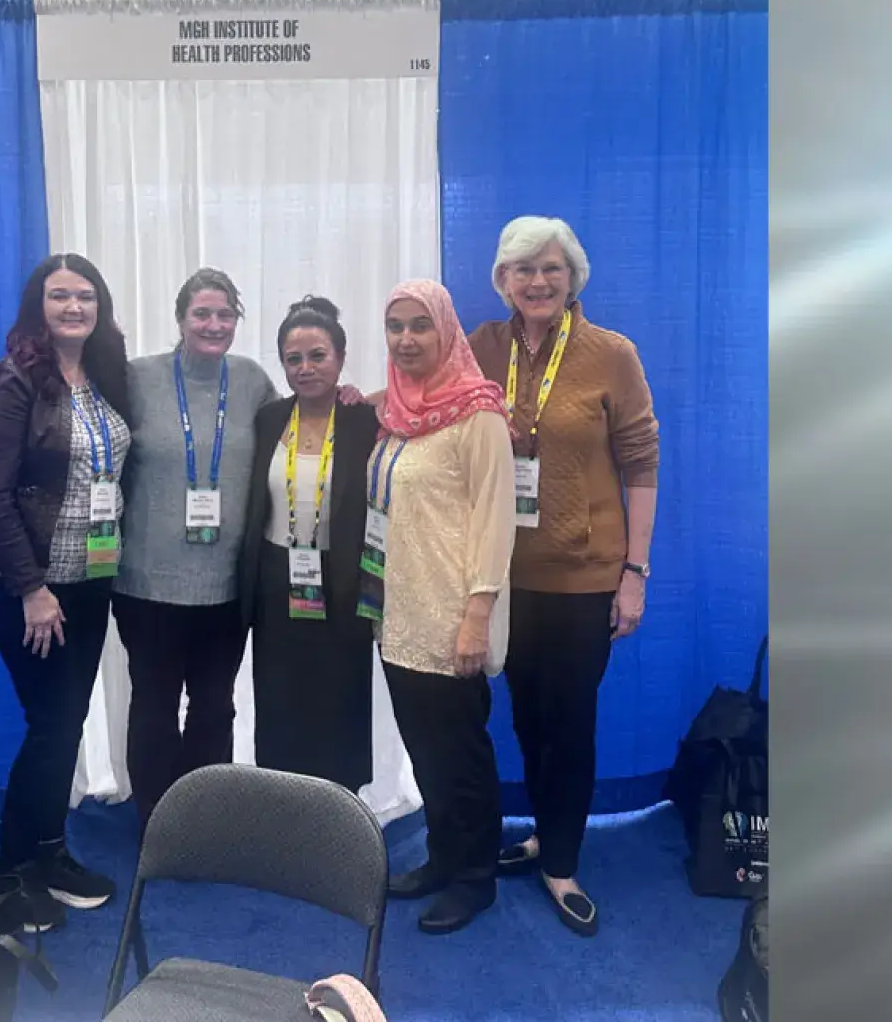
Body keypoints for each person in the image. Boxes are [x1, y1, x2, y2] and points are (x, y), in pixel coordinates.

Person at [466, 215, 660, 938]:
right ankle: (546, 833)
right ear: (503, 280)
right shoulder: (482, 348)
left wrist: (634, 572)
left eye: (551, 268)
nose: (538, 281)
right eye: (523, 269)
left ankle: (563, 863)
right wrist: (360, 403)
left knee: (569, 722)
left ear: (573, 277)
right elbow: (425, 400)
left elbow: (642, 463)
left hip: (585, 578)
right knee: (525, 715)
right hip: (506, 578)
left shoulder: (611, 354)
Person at [0, 253, 131, 932]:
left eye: (85, 296)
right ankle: (11, 874)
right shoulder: (14, 380)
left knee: (66, 721)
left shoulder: (106, 374)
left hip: (89, 580)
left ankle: (49, 853)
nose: (74, 307)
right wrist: (32, 589)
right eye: (60, 295)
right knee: (52, 724)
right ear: (39, 304)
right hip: (26, 585)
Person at [366, 279, 516, 935]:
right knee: (426, 753)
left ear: (447, 331)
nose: (406, 339)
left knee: (462, 758)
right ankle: (442, 858)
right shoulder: (397, 413)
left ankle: (475, 879)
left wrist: (477, 616)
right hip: (398, 616)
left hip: (453, 619)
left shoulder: (478, 414)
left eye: (419, 325)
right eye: (395, 326)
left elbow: (496, 522)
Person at [113, 268, 280, 832]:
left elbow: (302, 428)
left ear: (237, 320)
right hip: (146, 584)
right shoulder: (138, 379)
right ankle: (157, 823)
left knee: (214, 707)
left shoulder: (253, 382)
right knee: (154, 705)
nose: (213, 324)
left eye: (225, 314)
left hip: (227, 588)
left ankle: (206, 822)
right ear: (180, 319)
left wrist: (354, 399)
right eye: (201, 313)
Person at [237, 297, 382, 793]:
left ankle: (341, 811)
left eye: (318, 356)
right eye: (293, 358)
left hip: (342, 581)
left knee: (339, 704)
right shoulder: (269, 418)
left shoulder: (365, 422)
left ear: (341, 358)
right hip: (275, 582)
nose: (306, 368)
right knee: (280, 705)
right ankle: (282, 809)